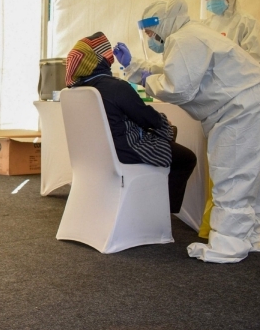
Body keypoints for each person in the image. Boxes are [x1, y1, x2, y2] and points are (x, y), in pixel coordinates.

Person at [133, 0, 260, 263]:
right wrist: (140, 69)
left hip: (241, 110)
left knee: (233, 174)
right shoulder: (192, 34)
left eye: (150, 33)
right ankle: (248, 236)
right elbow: (184, 71)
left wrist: (147, 80)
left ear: (162, 25)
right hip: (258, 102)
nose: (150, 38)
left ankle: (227, 246)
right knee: (254, 175)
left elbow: (177, 87)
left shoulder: (182, 39)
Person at [65, 32, 196, 214]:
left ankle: (144, 202)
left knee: (164, 133)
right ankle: (162, 214)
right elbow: (147, 118)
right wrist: (163, 121)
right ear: (103, 58)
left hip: (94, 155)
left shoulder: (75, 90)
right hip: (124, 151)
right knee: (186, 157)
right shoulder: (116, 87)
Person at [201, 0, 260, 64]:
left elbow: (254, 61)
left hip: (238, 78)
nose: (212, 0)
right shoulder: (205, 25)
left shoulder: (247, 22)